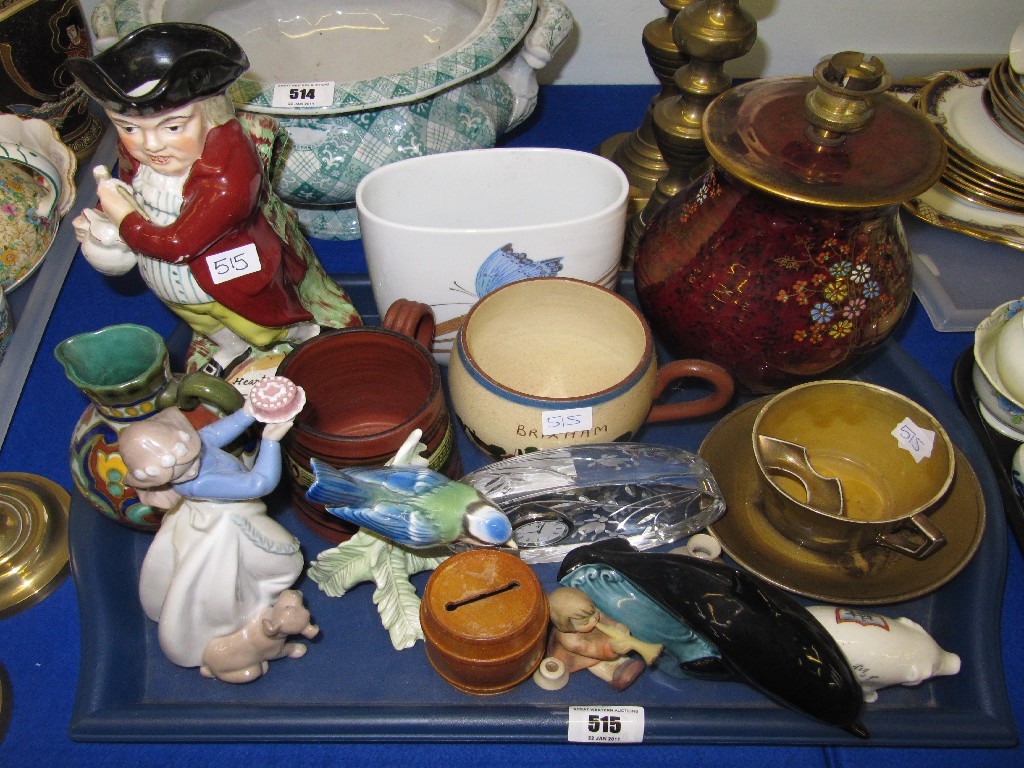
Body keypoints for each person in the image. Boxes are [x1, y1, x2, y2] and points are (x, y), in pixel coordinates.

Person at [66, 23, 359, 375]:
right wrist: (100, 222)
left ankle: (306, 334)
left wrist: (123, 216)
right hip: (168, 283)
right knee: (204, 323)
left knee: (260, 326)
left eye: (173, 127)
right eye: (129, 128)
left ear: (212, 118)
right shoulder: (142, 160)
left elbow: (179, 243)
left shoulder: (230, 171)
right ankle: (230, 350)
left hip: (227, 278)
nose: (151, 144)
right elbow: (128, 189)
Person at [120, 397, 303, 670]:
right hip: (232, 519)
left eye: (190, 456)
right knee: (283, 559)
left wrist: (247, 412)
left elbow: (212, 435)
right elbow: (259, 482)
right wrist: (271, 442)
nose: (193, 467)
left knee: (248, 566)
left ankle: (259, 596)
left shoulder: (193, 450)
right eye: (180, 471)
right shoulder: (200, 484)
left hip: (236, 513)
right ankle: (258, 604)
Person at [546, 586, 648, 691]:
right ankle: (614, 677)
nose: (594, 619)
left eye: (593, 611)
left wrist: (617, 627)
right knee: (596, 663)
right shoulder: (570, 640)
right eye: (585, 621)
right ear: (567, 625)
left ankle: (626, 663)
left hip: (598, 641)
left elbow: (604, 618)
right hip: (582, 655)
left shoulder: (589, 614)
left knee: (619, 651)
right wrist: (611, 647)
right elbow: (589, 649)